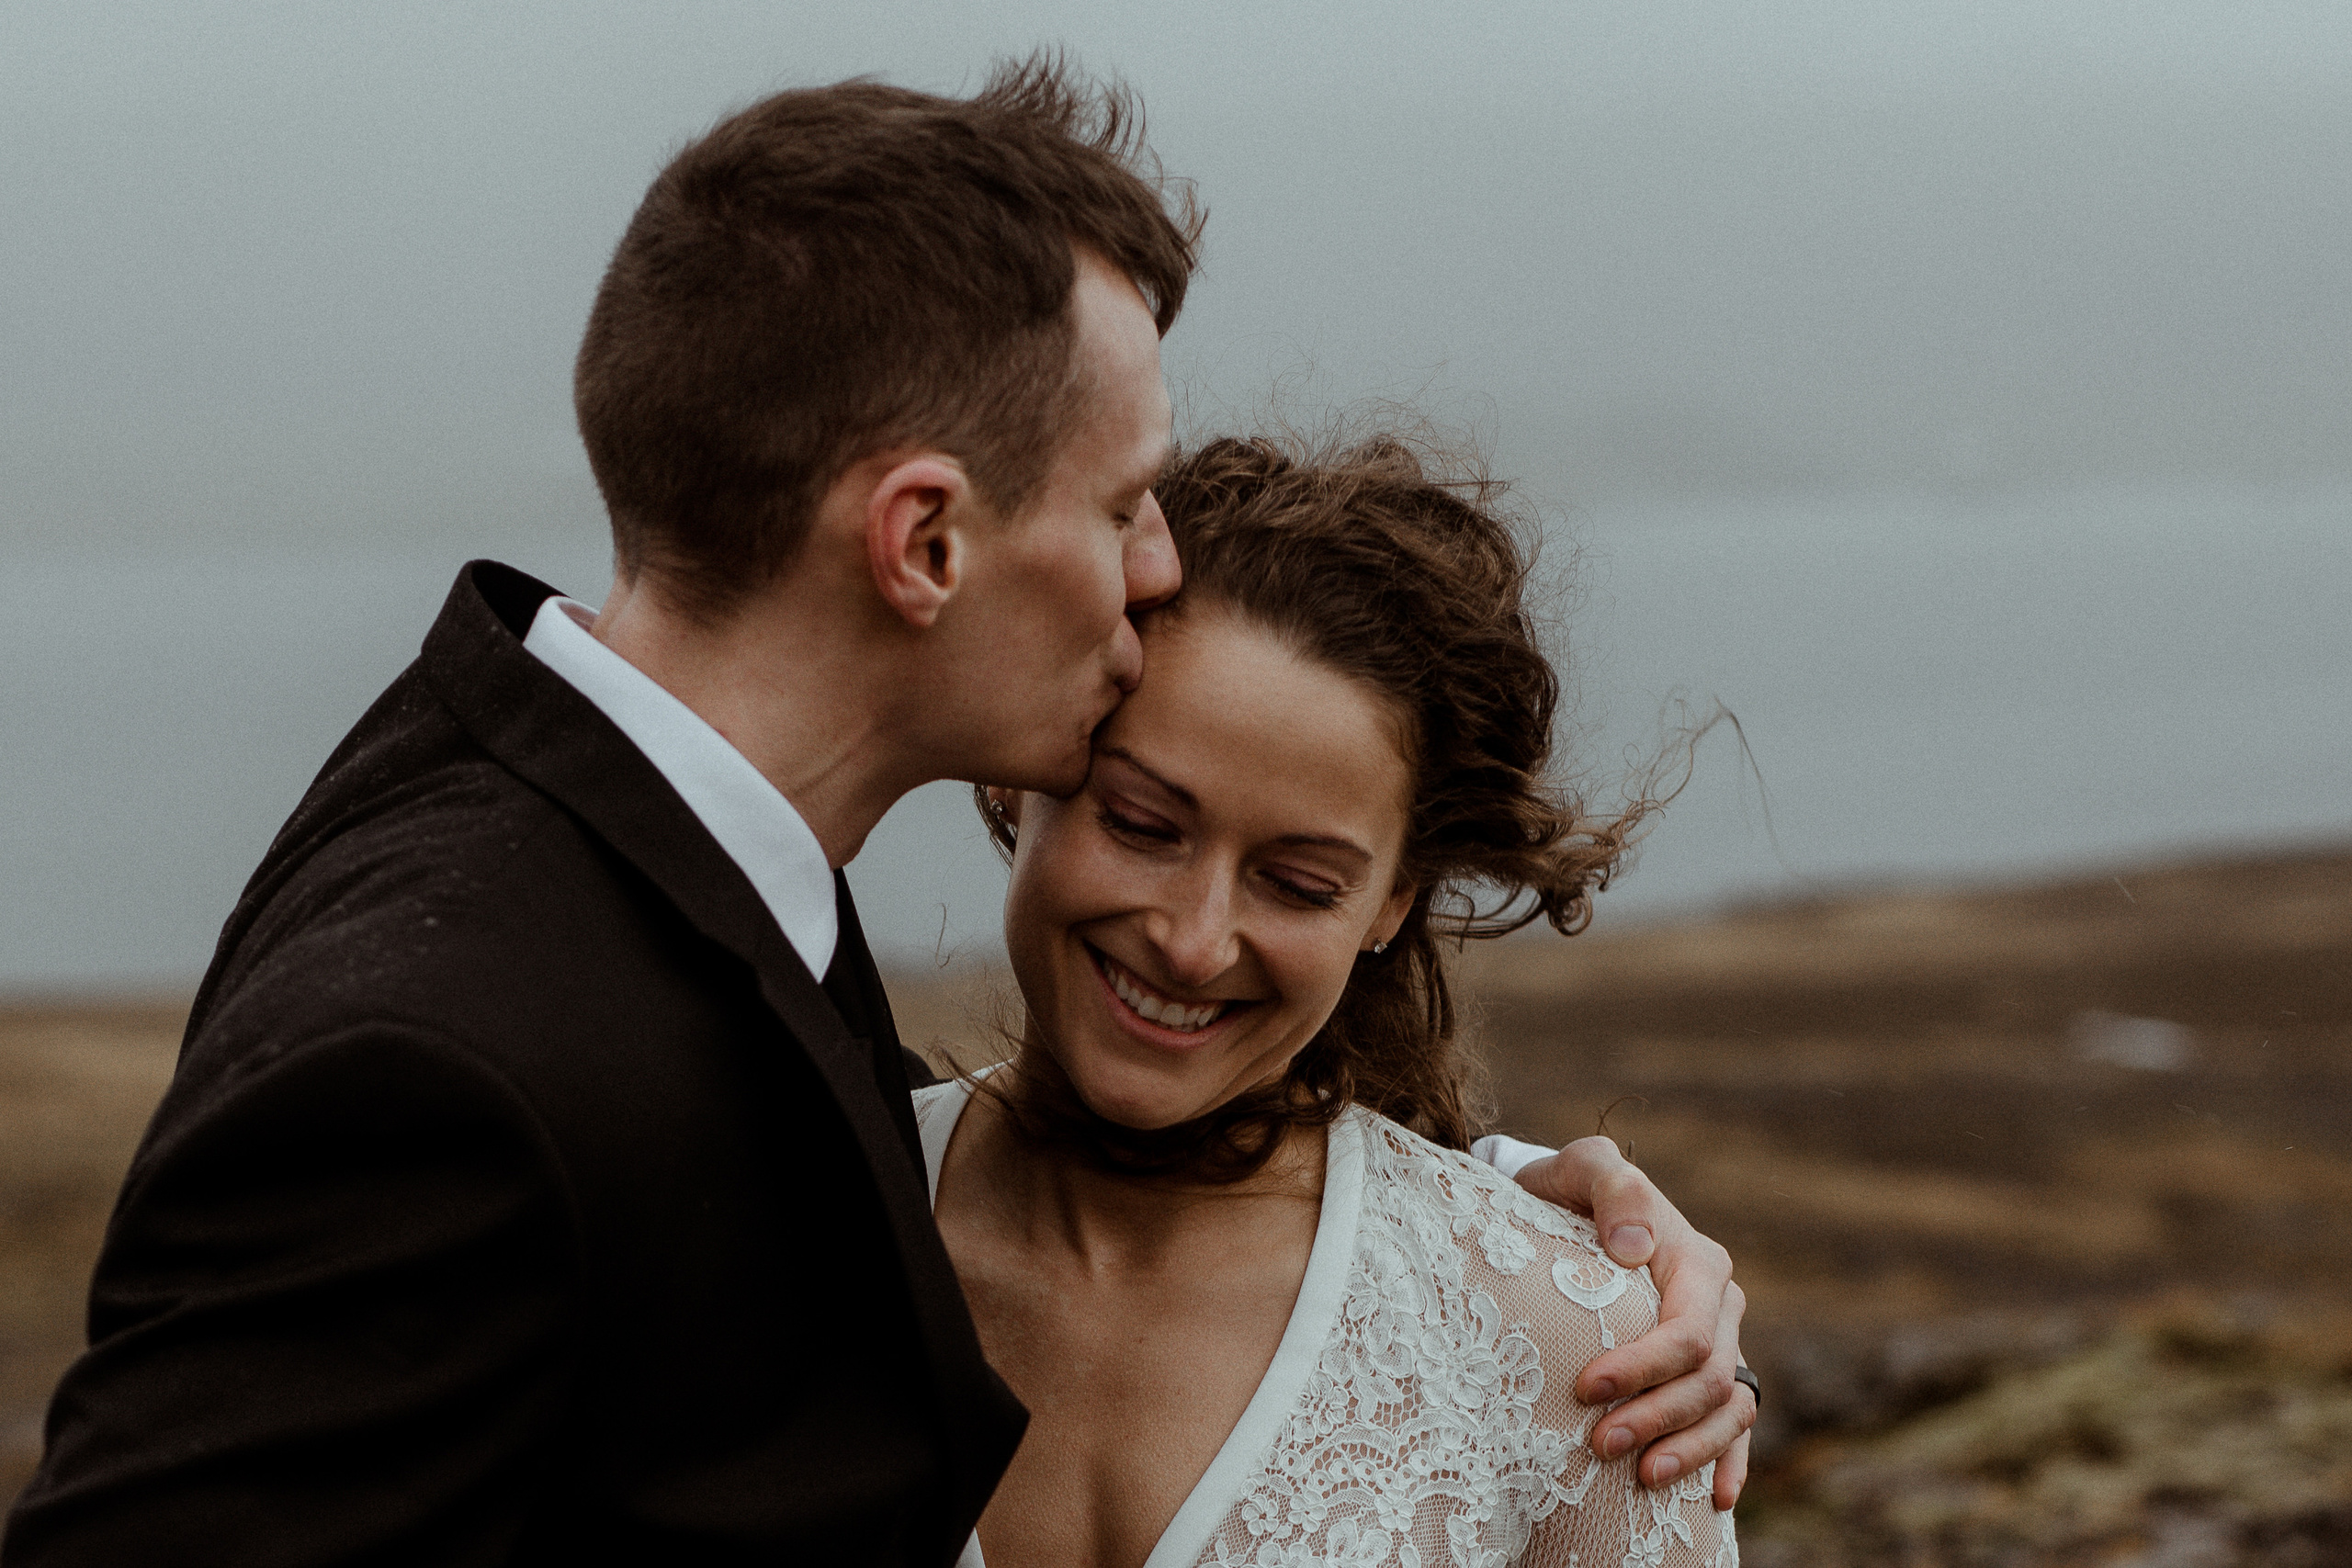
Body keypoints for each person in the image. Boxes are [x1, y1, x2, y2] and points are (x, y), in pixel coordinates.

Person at [2, 62, 1748, 1567]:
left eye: (1296, 870)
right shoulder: (455, 1047)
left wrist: (1516, 1220)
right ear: (925, 541)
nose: (1154, 567)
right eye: (1127, 502)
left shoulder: (692, 907)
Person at [926, 433, 1736, 1568]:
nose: (1196, 943)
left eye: (1300, 884)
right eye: (1141, 825)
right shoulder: (779, 1221)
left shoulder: (1575, 1348)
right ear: (1023, 768)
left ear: (1391, 906)